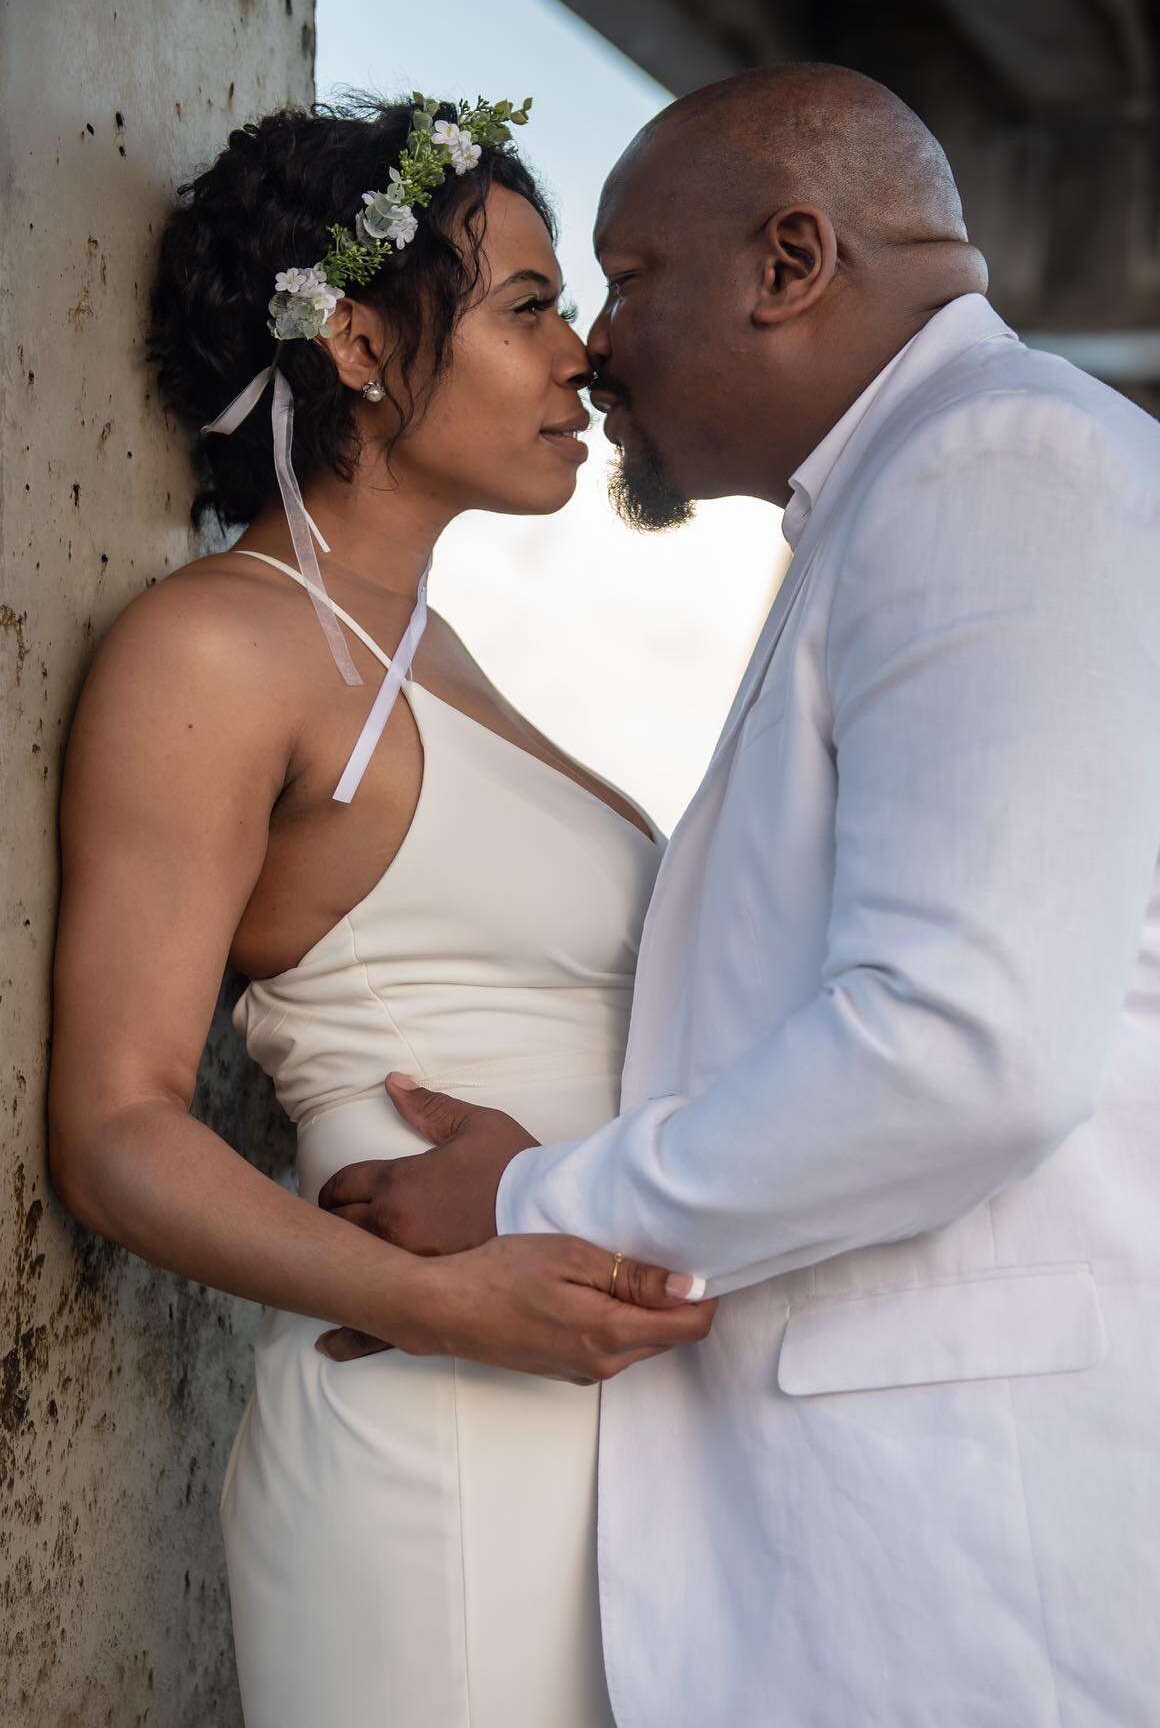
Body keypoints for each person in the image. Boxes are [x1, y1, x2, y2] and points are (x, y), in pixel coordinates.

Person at [327, 64, 1160, 1726]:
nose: (599, 345)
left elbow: (965, 1046)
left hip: (1085, 1539)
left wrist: (538, 1207)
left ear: (791, 263)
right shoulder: (915, 491)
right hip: (1033, 1522)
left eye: (629, 280)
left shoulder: (1002, 475)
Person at [47, 93, 714, 1728]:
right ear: (356, 338)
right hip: (444, 1447)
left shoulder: (433, 650)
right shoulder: (224, 648)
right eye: (529, 304)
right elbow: (116, 1123)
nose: (585, 356)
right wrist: (441, 1302)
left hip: (596, 1444)